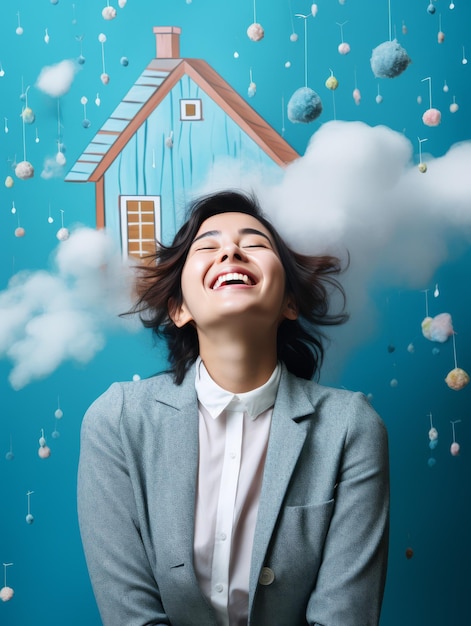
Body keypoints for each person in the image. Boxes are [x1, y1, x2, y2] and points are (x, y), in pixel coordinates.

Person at [77, 190, 389, 626]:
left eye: (255, 244)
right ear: (180, 308)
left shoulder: (351, 427)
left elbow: (345, 617)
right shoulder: (117, 421)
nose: (231, 250)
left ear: (290, 303)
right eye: (208, 247)